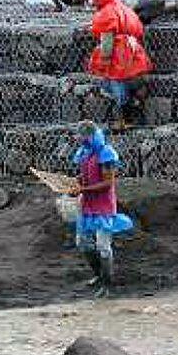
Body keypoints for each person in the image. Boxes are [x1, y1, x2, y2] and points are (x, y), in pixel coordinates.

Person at [69, 121, 134, 298]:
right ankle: (98, 274)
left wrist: (82, 189)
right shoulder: (84, 153)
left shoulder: (106, 153)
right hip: (87, 203)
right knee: (82, 242)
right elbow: (86, 174)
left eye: (84, 136)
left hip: (103, 204)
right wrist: (76, 182)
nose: (81, 139)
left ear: (92, 135)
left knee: (103, 246)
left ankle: (107, 284)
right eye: (80, 136)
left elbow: (108, 183)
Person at [88, 0, 153, 130]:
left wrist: (104, 61)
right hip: (134, 49)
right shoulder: (125, 9)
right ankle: (136, 99)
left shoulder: (106, 14)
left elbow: (107, 43)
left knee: (115, 83)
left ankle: (126, 119)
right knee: (131, 79)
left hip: (119, 53)